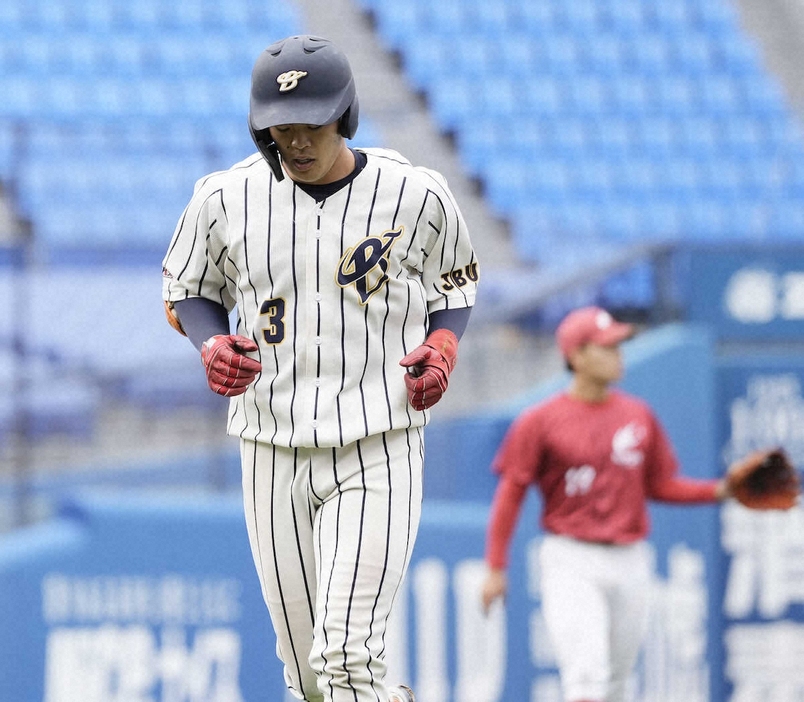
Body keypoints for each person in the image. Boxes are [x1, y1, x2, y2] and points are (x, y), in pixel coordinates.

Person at [161, 35, 479, 702]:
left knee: (346, 656)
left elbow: (454, 287)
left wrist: (443, 347)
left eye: (312, 124)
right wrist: (209, 344)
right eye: (281, 129)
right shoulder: (224, 197)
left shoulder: (414, 193)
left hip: (378, 442)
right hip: (270, 446)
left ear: (345, 115)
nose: (296, 142)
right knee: (307, 678)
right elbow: (188, 290)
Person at [480, 306, 729, 702]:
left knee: (616, 683)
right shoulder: (539, 420)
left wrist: (720, 491)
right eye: (606, 346)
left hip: (631, 557)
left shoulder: (638, 415)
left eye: (618, 345)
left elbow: (660, 485)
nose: (617, 353)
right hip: (571, 557)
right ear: (576, 356)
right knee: (586, 677)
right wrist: (496, 566)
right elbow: (511, 494)